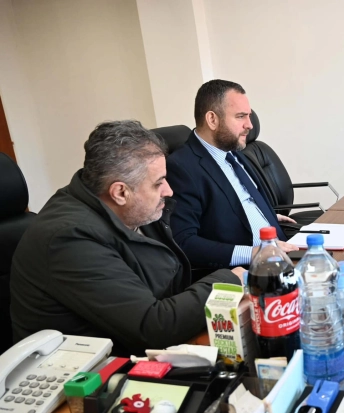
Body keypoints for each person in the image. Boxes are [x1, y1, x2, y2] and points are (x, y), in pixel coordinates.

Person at [10, 121, 244, 356]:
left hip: (144, 346)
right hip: (93, 367)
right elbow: (153, 327)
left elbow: (169, 281)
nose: (168, 191)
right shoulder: (69, 239)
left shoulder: (131, 207)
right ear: (120, 192)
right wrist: (228, 282)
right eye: (158, 183)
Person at [166, 80, 298, 273]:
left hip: (283, 252)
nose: (249, 125)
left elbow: (235, 203)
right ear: (212, 119)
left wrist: (266, 214)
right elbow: (184, 242)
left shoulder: (232, 152)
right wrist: (253, 253)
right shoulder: (181, 167)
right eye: (240, 116)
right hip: (247, 270)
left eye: (249, 116)